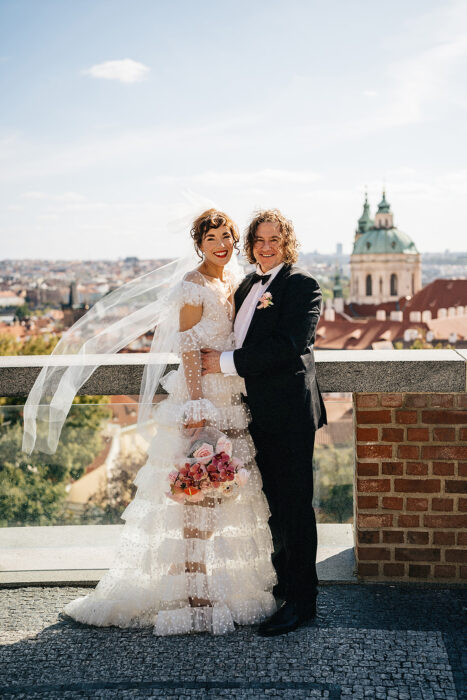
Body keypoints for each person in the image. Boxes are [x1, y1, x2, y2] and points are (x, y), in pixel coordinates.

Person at [38, 209, 276, 635]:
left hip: (232, 402)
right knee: (193, 497)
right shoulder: (193, 285)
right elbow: (187, 349)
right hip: (200, 403)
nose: (221, 245)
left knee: (224, 497)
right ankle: (192, 592)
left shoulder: (231, 281)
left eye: (227, 237)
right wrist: (196, 410)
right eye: (212, 239)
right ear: (198, 244)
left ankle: (212, 582)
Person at [201, 209, 327, 637]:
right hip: (255, 415)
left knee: (294, 509)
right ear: (251, 245)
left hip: (289, 415)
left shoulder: (302, 286)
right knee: (271, 508)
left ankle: (303, 602)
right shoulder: (247, 286)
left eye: (274, 239)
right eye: (258, 240)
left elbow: (289, 345)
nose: (266, 246)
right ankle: (283, 586)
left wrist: (220, 364)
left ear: (286, 242)